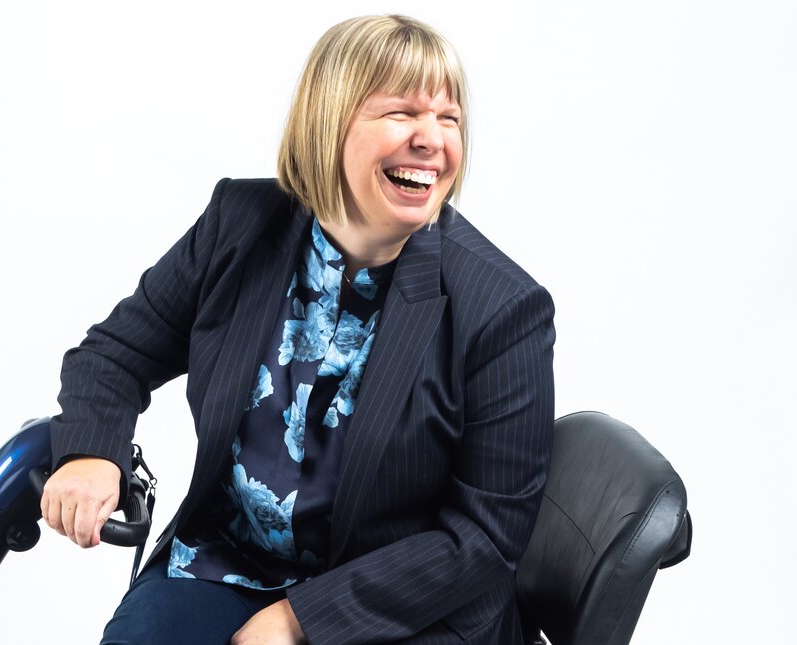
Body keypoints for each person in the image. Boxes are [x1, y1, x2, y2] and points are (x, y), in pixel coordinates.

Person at [40, 14, 555, 645]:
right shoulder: (238, 226)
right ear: (329, 120)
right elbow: (116, 353)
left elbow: (485, 538)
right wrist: (93, 452)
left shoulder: (503, 308)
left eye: (448, 119)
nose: (432, 140)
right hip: (228, 565)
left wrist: (300, 621)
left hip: (405, 608)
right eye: (402, 113)